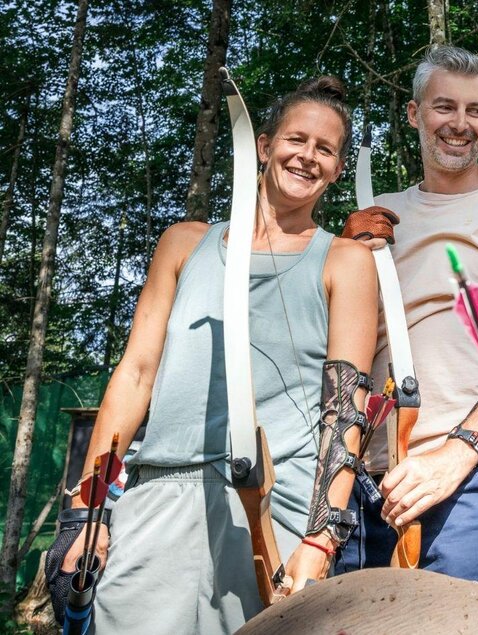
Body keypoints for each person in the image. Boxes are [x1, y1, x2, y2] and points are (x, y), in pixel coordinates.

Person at [47, 76, 378, 633]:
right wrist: (89, 509)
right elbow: (135, 375)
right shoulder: (184, 243)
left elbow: (346, 410)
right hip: (159, 492)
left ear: (339, 169)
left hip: (274, 506)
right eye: (297, 140)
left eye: (326, 149)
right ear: (265, 144)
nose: (308, 157)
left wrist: (320, 541)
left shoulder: (345, 262)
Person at [334, 45, 478, 581]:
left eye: (475, 111)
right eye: (444, 107)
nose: (459, 124)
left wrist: (457, 453)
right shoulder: (377, 214)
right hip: (363, 477)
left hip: (466, 475)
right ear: (415, 114)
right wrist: (345, 261)